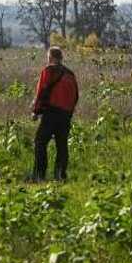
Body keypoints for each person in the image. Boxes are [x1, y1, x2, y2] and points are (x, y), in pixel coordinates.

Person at [31, 46, 80, 181]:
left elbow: (42, 92)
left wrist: (36, 111)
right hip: (66, 115)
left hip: (51, 112)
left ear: (51, 57)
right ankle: (60, 175)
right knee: (62, 145)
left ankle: (39, 175)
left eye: (48, 57)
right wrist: (69, 112)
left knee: (40, 142)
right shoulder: (70, 74)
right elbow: (76, 95)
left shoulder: (48, 71)